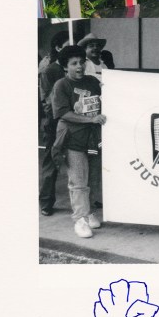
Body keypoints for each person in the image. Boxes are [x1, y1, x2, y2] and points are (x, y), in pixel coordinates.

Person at [51, 45, 106, 239]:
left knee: (93, 179)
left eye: (81, 62)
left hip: (94, 139)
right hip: (72, 139)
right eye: (74, 63)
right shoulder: (61, 85)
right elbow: (63, 113)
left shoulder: (92, 81)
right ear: (65, 66)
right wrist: (91, 119)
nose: (79, 66)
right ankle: (80, 219)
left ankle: (90, 212)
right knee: (78, 181)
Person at [38, 29, 69, 216]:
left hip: (70, 120)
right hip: (54, 122)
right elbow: (47, 101)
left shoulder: (71, 68)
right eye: (66, 47)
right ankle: (45, 202)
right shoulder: (51, 70)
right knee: (51, 162)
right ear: (58, 47)